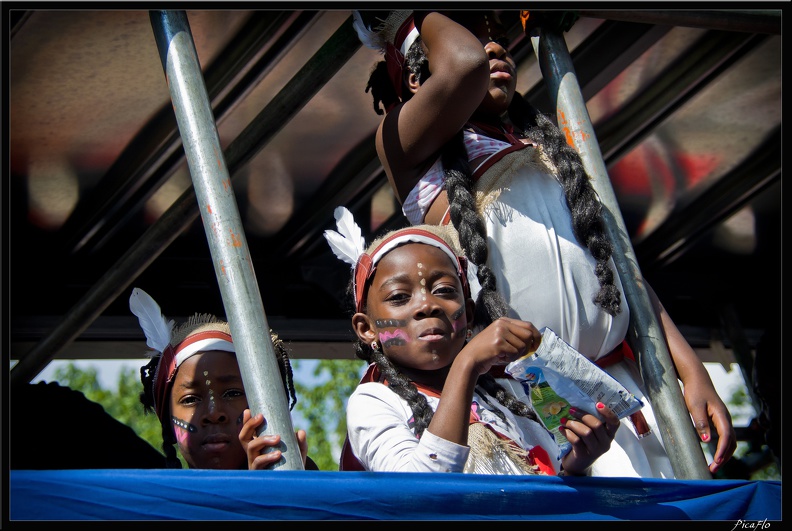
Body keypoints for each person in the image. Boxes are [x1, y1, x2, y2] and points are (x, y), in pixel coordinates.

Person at [352, 9, 736, 478]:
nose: (495, 49)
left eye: (499, 40)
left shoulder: (545, 145)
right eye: (473, 37)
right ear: (416, 81)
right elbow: (464, 65)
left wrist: (690, 368)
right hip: (543, 411)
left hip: (636, 385)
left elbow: (618, 271)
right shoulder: (409, 153)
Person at [324, 207, 620, 474]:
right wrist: (466, 364)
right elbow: (422, 491)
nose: (428, 305)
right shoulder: (374, 402)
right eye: (400, 297)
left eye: (444, 290)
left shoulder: (507, 395)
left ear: (468, 313)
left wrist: (577, 463)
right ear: (366, 329)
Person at [131, 287, 318, 470]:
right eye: (190, 399)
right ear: (167, 422)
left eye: (232, 393)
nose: (214, 413)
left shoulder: (303, 479)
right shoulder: (155, 499)